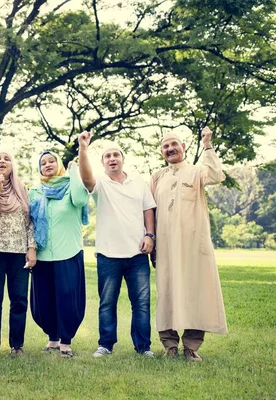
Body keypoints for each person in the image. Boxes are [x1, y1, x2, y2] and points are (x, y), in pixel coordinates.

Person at [150, 127, 228, 361]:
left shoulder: (196, 171)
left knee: (196, 292)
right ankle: (170, 345)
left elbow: (216, 175)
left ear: (184, 147)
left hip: (194, 246)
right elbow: (150, 211)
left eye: (174, 144)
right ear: (162, 151)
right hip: (165, 247)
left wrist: (207, 144)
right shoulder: (157, 177)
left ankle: (191, 346)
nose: (170, 148)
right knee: (167, 292)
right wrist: (151, 241)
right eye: (165, 146)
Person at [77, 132, 156, 358]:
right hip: (108, 255)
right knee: (107, 303)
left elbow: (148, 209)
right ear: (102, 163)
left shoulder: (139, 181)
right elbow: (86, 178)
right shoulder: (100, 183)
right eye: (107, 156)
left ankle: (143, 347)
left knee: (141, 303)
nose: (112, 158)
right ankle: (106, 344)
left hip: (137, 254)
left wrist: (150, 235)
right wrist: (84, 148)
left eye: (116, 155)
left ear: (122, 159)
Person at [29, 151, 89, 358]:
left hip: (68, 252)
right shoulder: (36, 191)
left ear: (59, 163)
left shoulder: (70, 187)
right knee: (43, 301)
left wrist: (74, 170)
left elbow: (81, 199)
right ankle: (52, 338)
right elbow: (29, 221)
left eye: (51, 160)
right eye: (43, 162)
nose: (47, 165)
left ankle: (66, 341)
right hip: (42, 255)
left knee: (67, 299)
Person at [0, 151, 36, 356]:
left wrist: (31, 248)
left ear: (13, 165)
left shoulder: (21, 189)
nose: (2, 162)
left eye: (6, 159)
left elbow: (29, 222)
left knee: (19, 299)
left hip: (18, 252)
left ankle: (17, 345)